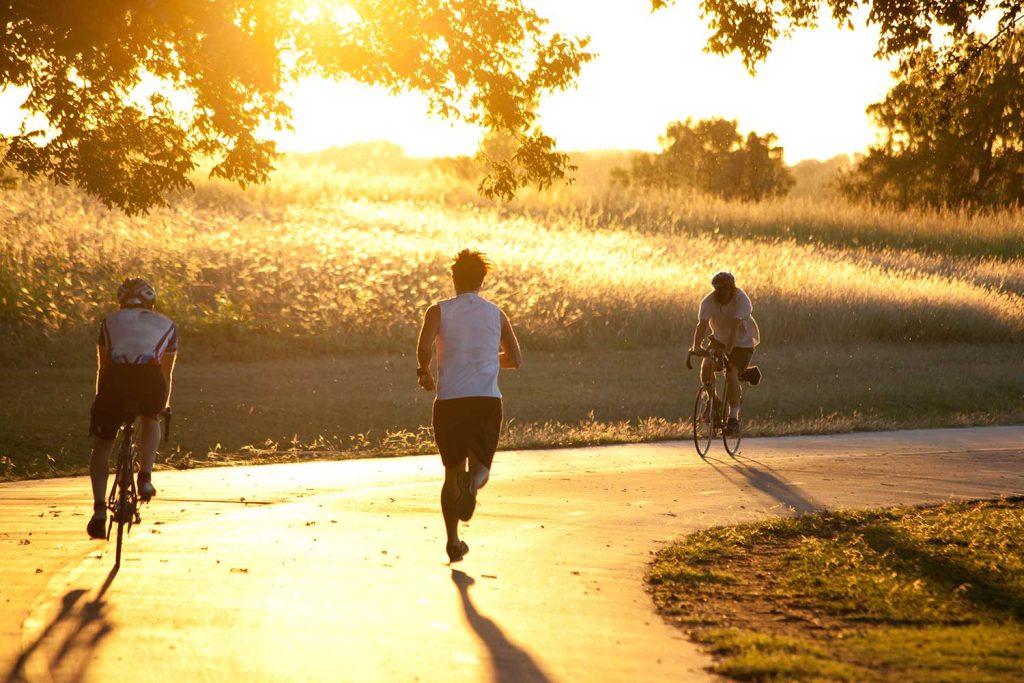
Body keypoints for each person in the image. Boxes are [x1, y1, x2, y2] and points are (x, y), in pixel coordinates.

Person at [416, 250, 522, 563]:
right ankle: (472, 486)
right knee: (481, 469)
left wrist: (424, 372)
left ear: (454, 278)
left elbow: (423, 348)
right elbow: (516, 359)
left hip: (449, 403)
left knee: (451, 472)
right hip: (485, 401)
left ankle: (452, 541)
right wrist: (486, 359)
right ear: (482, 280)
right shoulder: (496, 314)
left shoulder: (438, 311)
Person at [87, 278, 177, 539]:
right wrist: (164, 405)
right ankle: (145, 477)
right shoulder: (168, 325)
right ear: (151, 302)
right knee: (151, 419)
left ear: (121, 301)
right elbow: (166, 374)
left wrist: (99, 400)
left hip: (115, 383)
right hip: (150, 382)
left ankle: (99, 510)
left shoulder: (109, 321)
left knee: (102, 446)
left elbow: (103, 368)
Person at [690, 271, 760, 436]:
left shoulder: (741, 299)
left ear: (732, 288)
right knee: (706, 367)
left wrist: (727, 350)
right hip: (720, 340)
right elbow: (702, 325)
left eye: (724, 289)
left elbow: (735, 326)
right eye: (717, 289)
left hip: (742, 343)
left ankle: (733, 418)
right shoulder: (708, 301)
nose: (720, 292)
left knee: (731, 372)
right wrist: (696, 346)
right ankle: (713, 402)